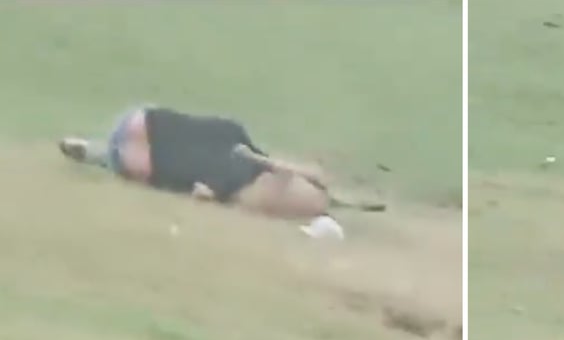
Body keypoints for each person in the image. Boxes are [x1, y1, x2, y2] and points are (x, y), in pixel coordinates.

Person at [58, 105, 383, 227]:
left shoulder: (243, 159)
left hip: (155, 138)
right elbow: (249, 163)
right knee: (146, 165)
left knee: (144, 167)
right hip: (160, 140)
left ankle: (95, 153)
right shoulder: (249, 167)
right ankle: (98, 153)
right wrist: (216, 187)